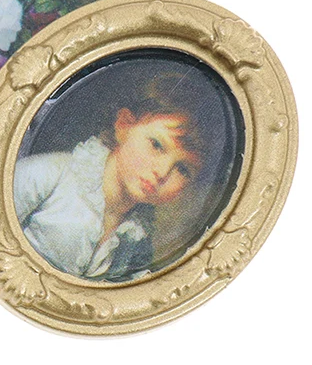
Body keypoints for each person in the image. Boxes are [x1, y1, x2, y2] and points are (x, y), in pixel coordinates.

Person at [13, 71, 221, 283]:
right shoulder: (50, 174)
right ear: (124, 126)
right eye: (157, 145)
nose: (162, 172)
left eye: (183, 169)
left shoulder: (137, 238)